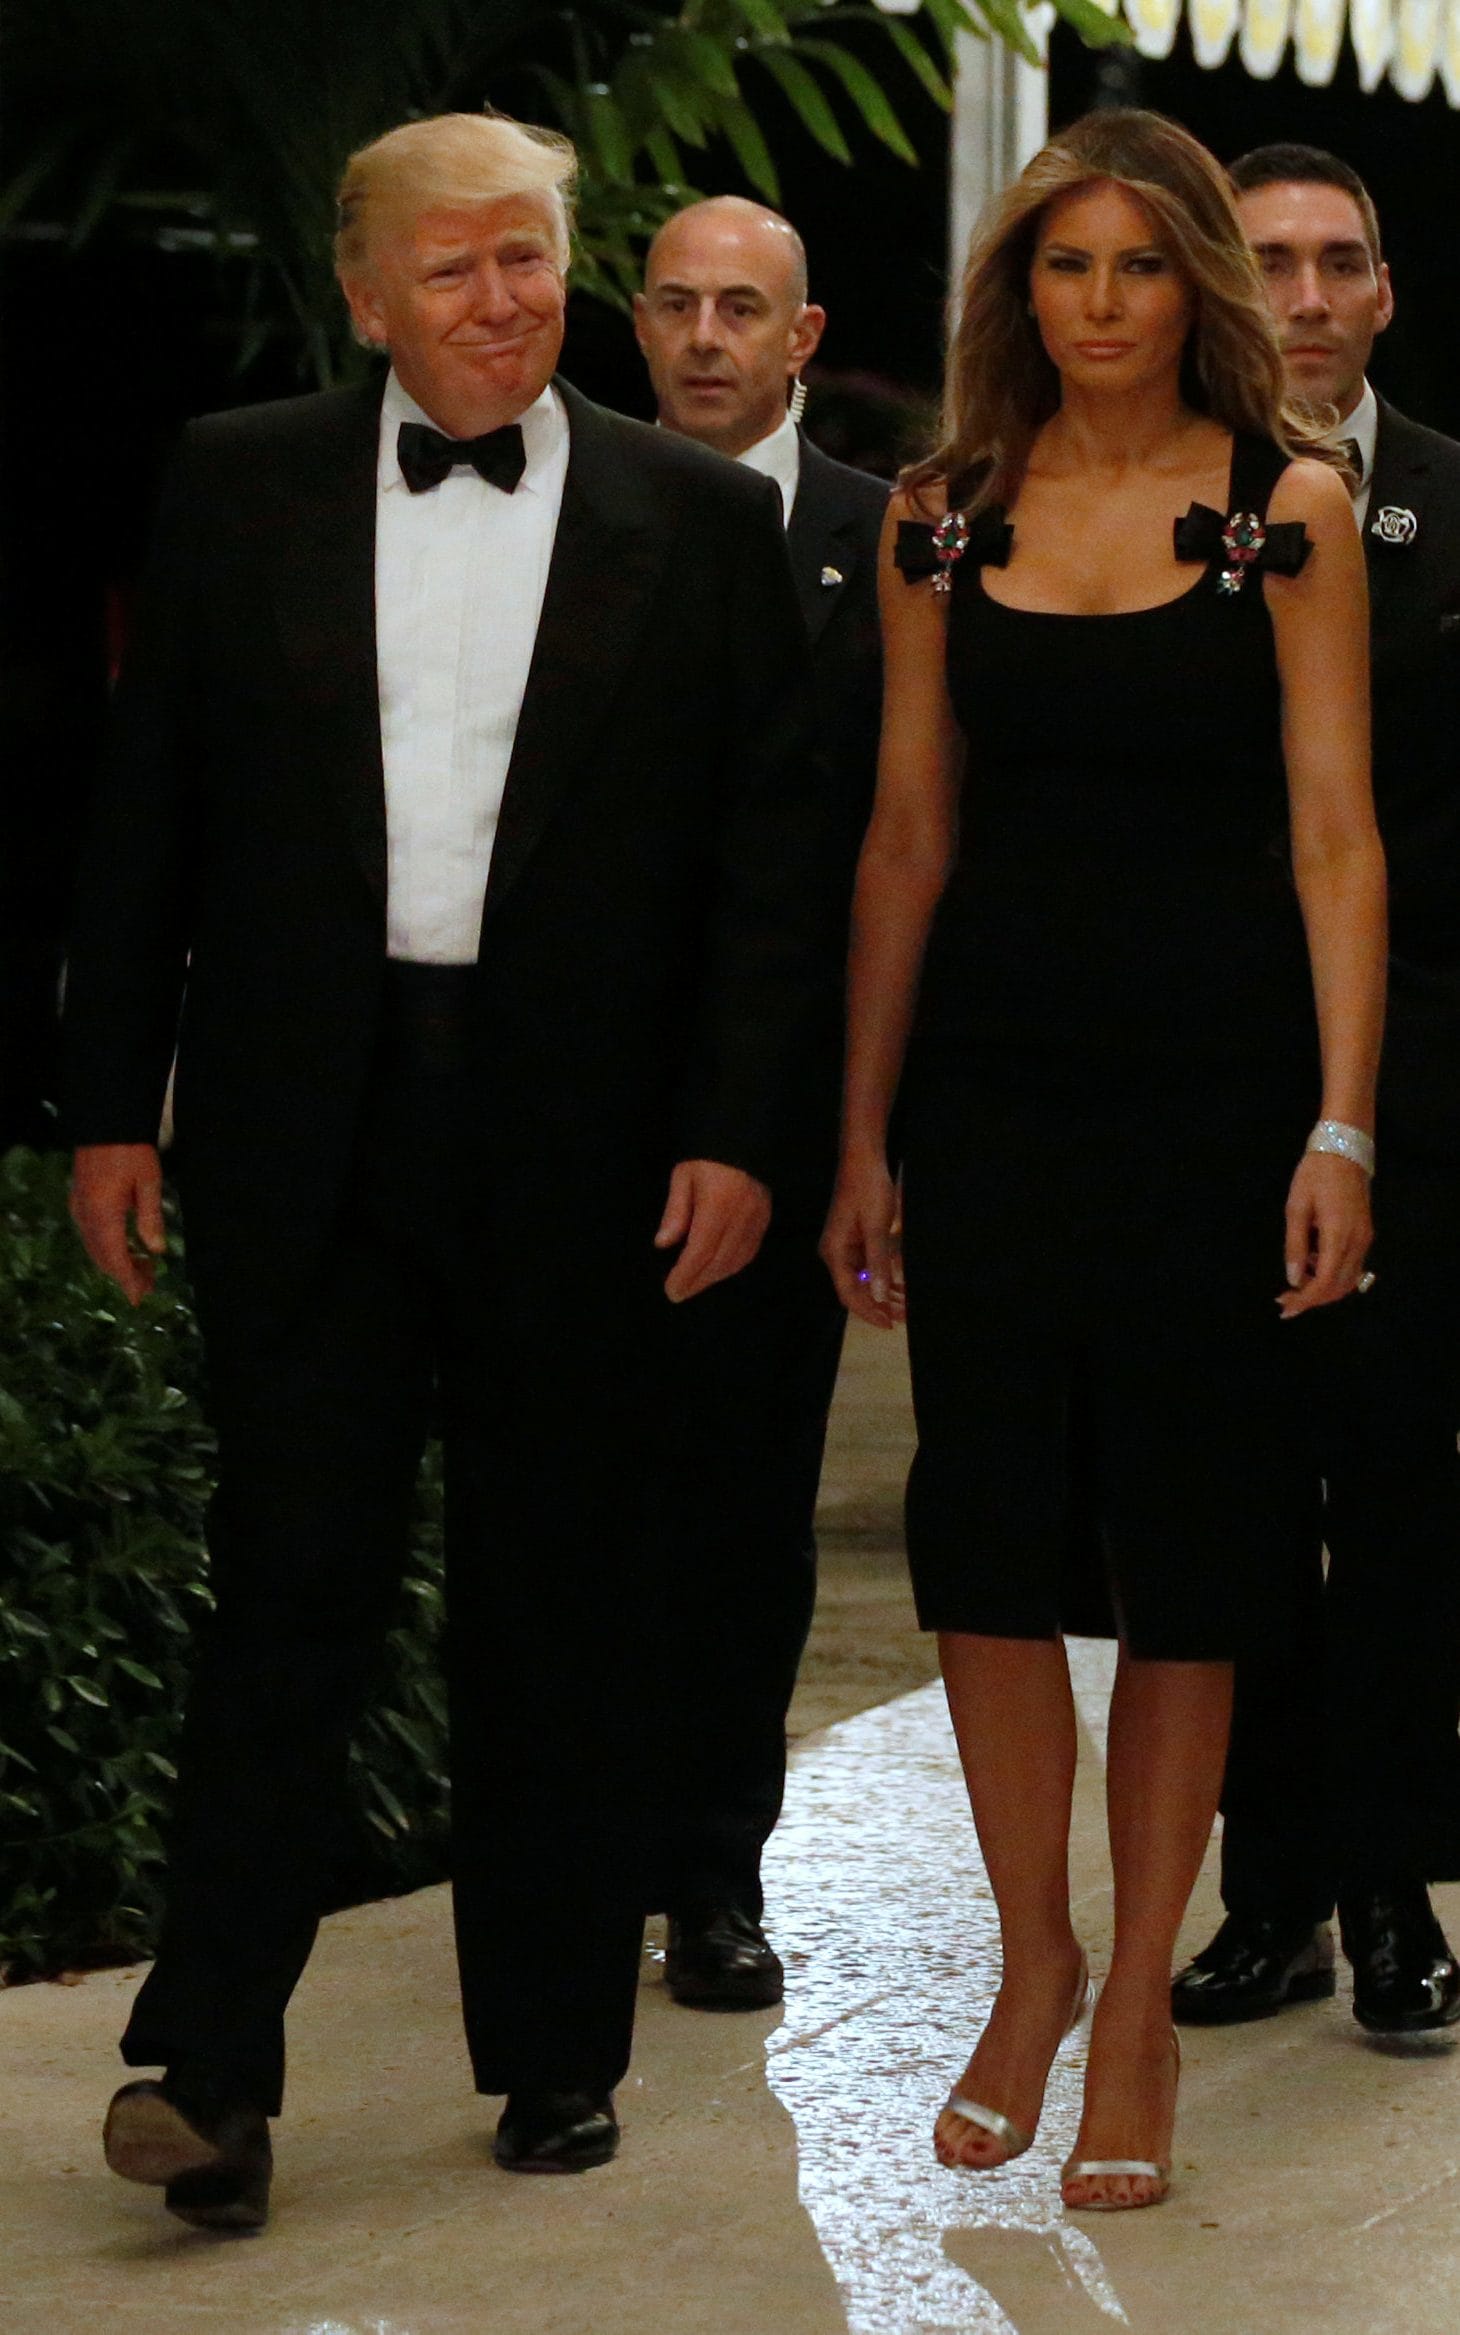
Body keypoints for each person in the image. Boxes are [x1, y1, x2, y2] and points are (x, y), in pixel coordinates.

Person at [62, 110, 831, 2227]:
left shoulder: (695, 518)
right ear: (366, 295)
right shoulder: (237, 482)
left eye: (530, 258)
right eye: (455, 267)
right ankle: (207, 2068)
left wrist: (737, 1131)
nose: (504, 302)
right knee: (286, 1589)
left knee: (559, 1597)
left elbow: (771, 871)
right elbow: (148, 813)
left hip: (589, 1135)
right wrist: (113, 1103)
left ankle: (558, 2050)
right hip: (308, 1116)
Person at [822, 107, 1385, 2212]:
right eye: (1066, 266)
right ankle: (1032, 1955)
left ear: (1194, 285)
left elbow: (1335, 836)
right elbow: (907, 834)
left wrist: (1339, 1122)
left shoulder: (1282, 511)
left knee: (1192, 1548)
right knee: (980, 1540)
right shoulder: (940, 519)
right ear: (1018, 293)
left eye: (1141, 265)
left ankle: (1138, 1991)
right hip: (987, 1098)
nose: (1102, 303)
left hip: (1217, 1104)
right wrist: (860, 1130)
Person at [1172, 146, 1460, 2035]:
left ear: (1384, 292)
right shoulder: (1146, 499)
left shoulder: (1456, 501)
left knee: (1408, 1496)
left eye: (1339, 260)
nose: (1305, 295)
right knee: (1234, 1500)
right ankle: (1265, 1892)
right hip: (1204, 1080)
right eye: (1267, 259)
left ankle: (1392, 1891)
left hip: (1423, 1094)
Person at [632, 196, 887, 2008]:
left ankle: (717, 1874)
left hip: (792, 1118)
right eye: (676, 303)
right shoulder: (564, 503)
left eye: (743, 308)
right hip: (573, 1102)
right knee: (573, 1502)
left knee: (743, 1510)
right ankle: (574, 1859)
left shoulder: (892, 540)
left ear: (802, 340)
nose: (706, 337)